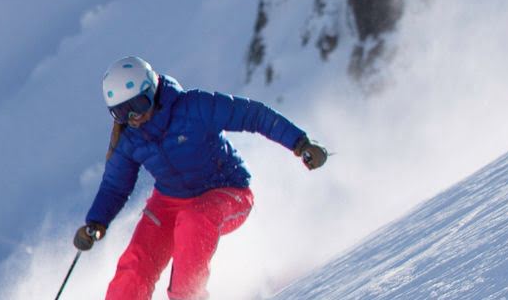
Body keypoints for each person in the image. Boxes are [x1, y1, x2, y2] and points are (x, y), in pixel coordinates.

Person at [73, 56, 327, 300]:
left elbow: (254, 115)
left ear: (153, 91)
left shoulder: (194, 107)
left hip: (227, 191)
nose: (134, 117)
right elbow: (115, 186)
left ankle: (188, 296)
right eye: (121, 113)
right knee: (136, 264)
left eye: (138, 105)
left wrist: (301, 143)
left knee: (194, 219)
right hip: (169, 203)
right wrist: (96, 222)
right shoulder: (129, 138)